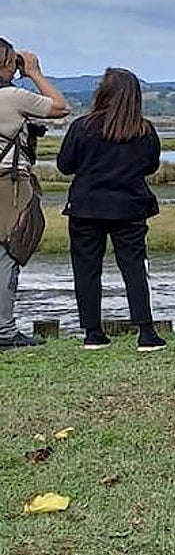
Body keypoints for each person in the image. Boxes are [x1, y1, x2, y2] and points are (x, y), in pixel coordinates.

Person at [56, 68, 166, 351]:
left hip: (86, 206)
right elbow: (151, 166)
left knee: (86, 269)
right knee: (134, 268)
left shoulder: (82, 126)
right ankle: (146, 332)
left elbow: (65, 166)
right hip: (130, 206)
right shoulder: (144, 130)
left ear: (102, 92)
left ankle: (92, 332)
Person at [0, 40, 70, 349]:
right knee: (9, 251)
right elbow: (60, 107)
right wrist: (35, 73)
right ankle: (4, 331)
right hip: (9, 183)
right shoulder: (12, 97)